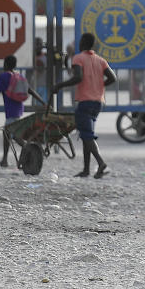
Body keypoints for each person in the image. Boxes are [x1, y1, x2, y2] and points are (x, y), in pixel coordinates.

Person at [52, 32, 116, 179]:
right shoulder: (100, 60)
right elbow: (112, 78)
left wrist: (60, 85)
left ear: (83, 43)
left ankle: (101, 163)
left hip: (85, 101)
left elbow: (78, 77)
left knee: (87, 135)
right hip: (98, 102)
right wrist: (99, 86)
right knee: (86, 134)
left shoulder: (78, 58)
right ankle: (86, 169)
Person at [0, 55, 45, 167]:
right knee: (7, 133)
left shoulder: (4, 76)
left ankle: (30, 149)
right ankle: (5, 160)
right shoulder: (18, 76)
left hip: (11, 110)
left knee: (11, 133)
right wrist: (43, 102)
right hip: (19, 109)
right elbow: (30, 90)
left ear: (5, 64)